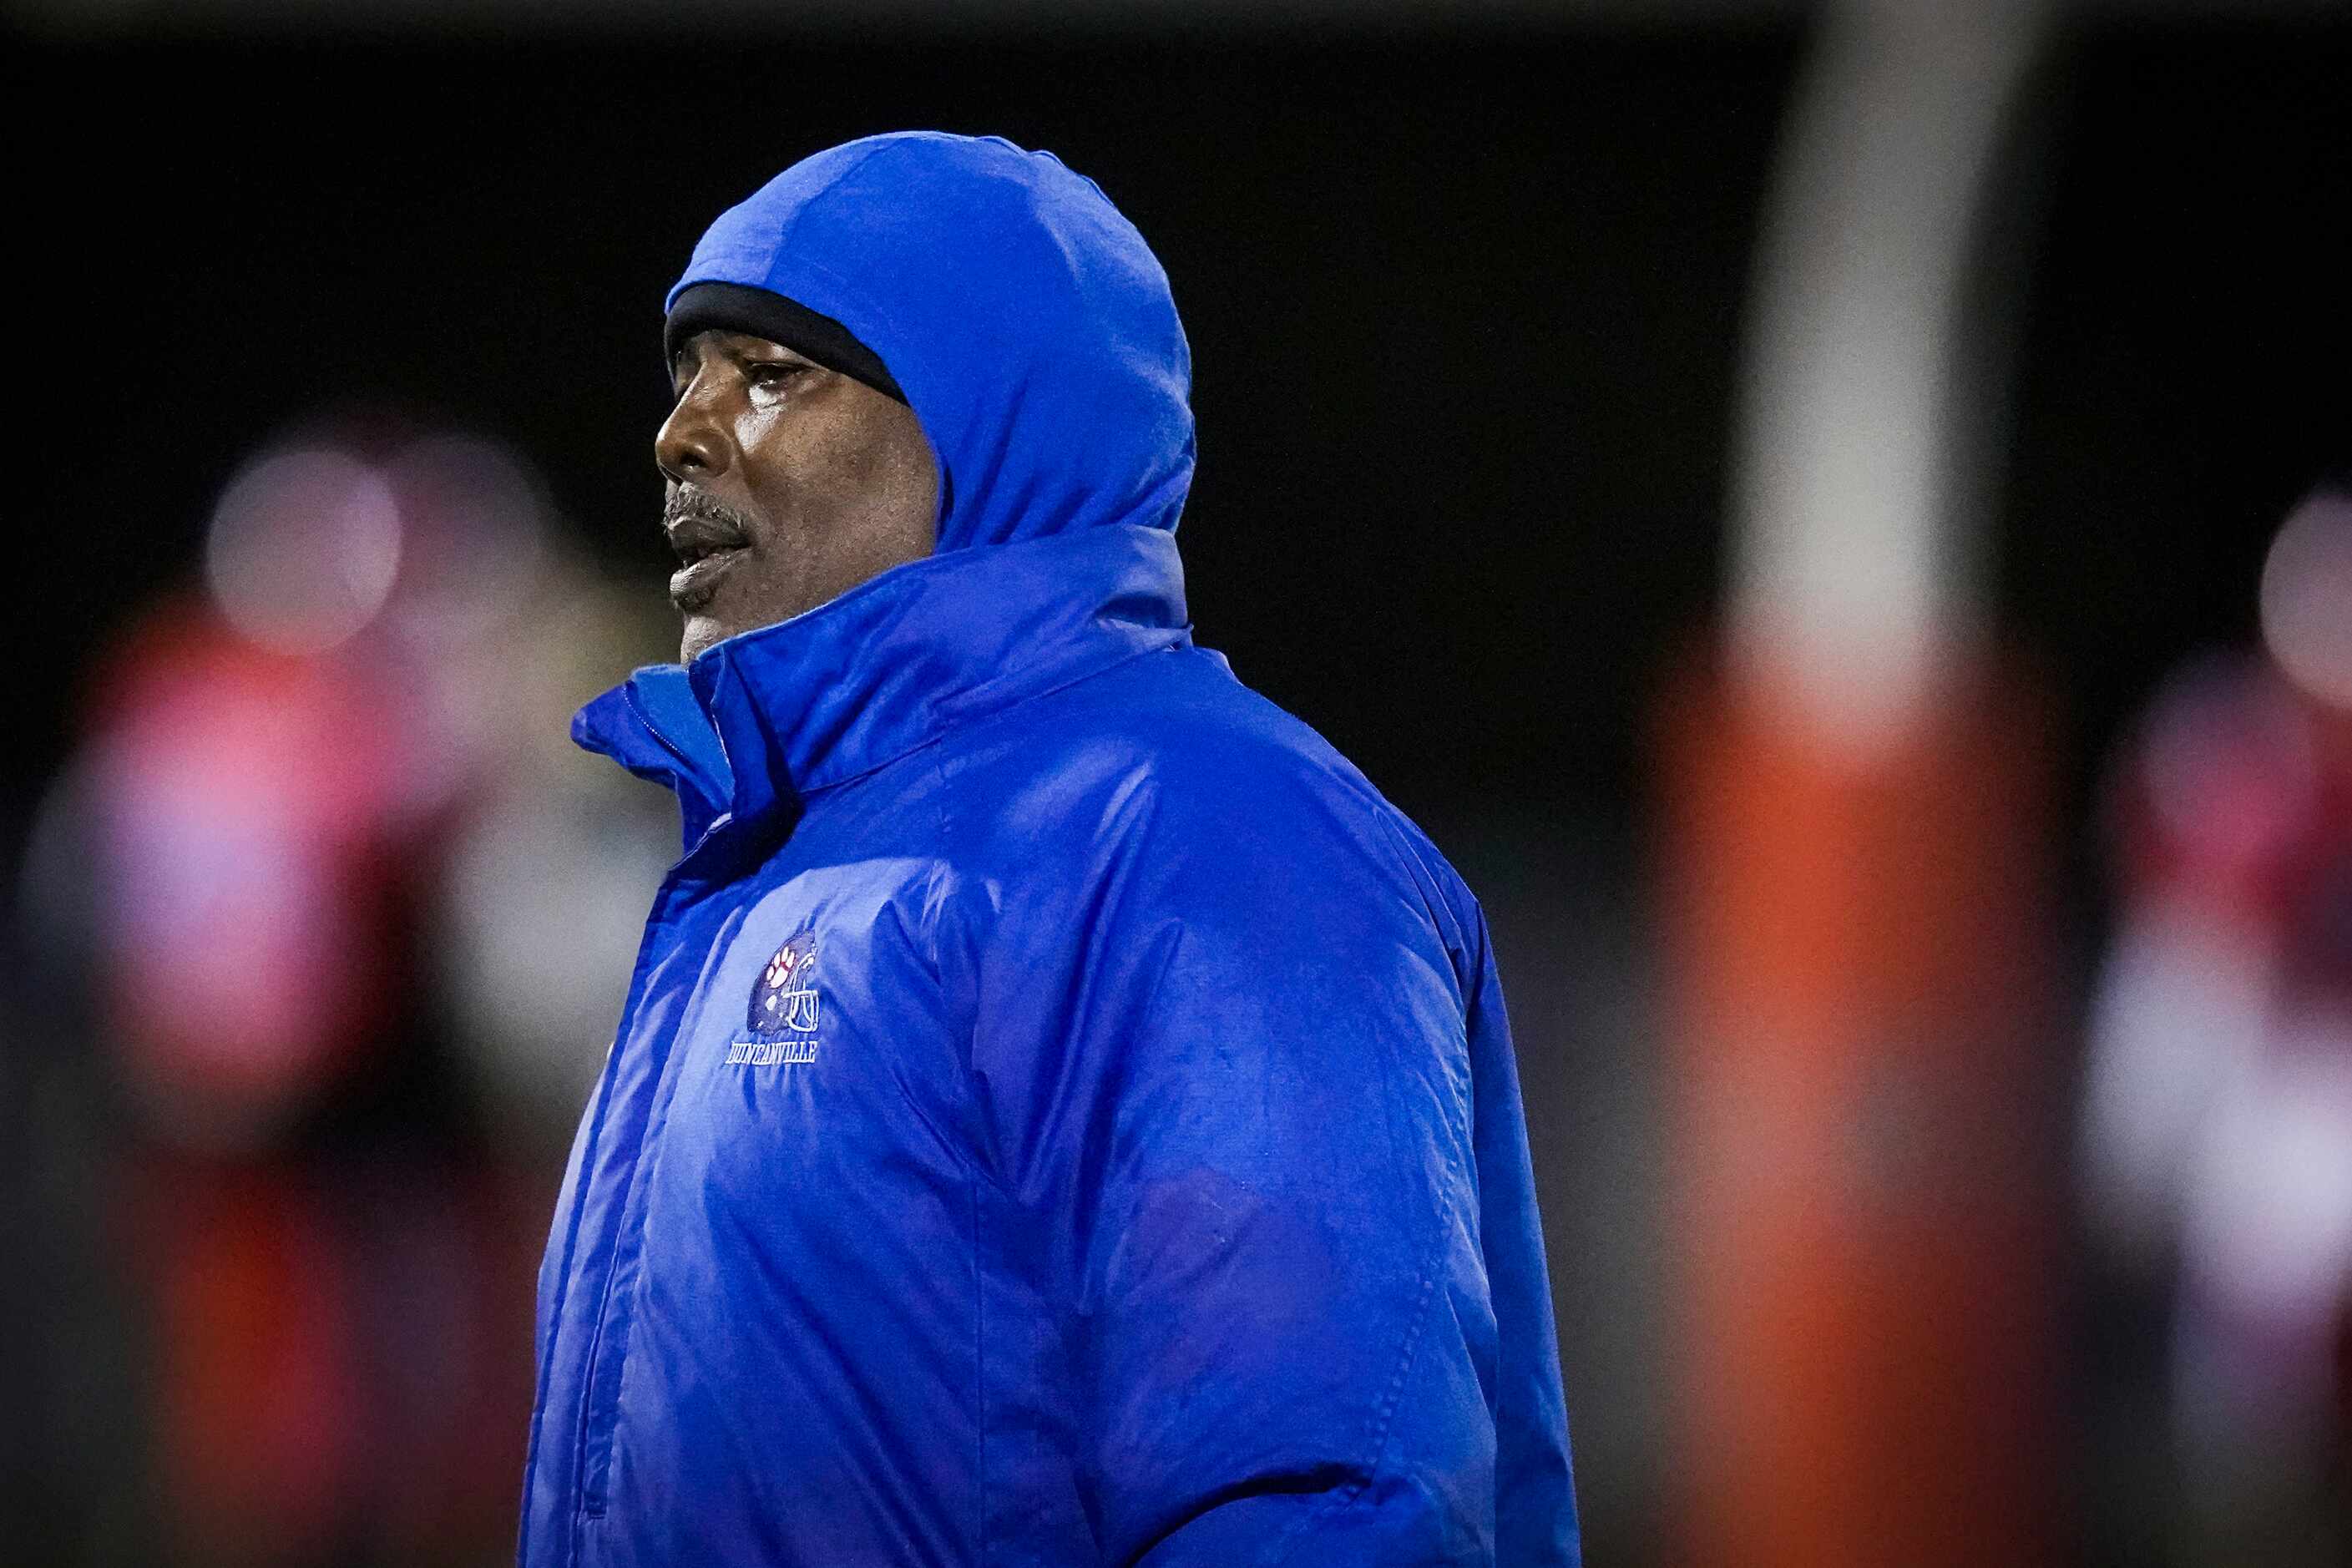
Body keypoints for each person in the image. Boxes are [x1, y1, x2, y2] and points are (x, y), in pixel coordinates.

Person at [518, 131, 1580, 1567]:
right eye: (687, 376)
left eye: (772, 376)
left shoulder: (1205, 839)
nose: (681, 435)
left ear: (989, 430)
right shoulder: (759, 869)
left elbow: (1320, 1494)